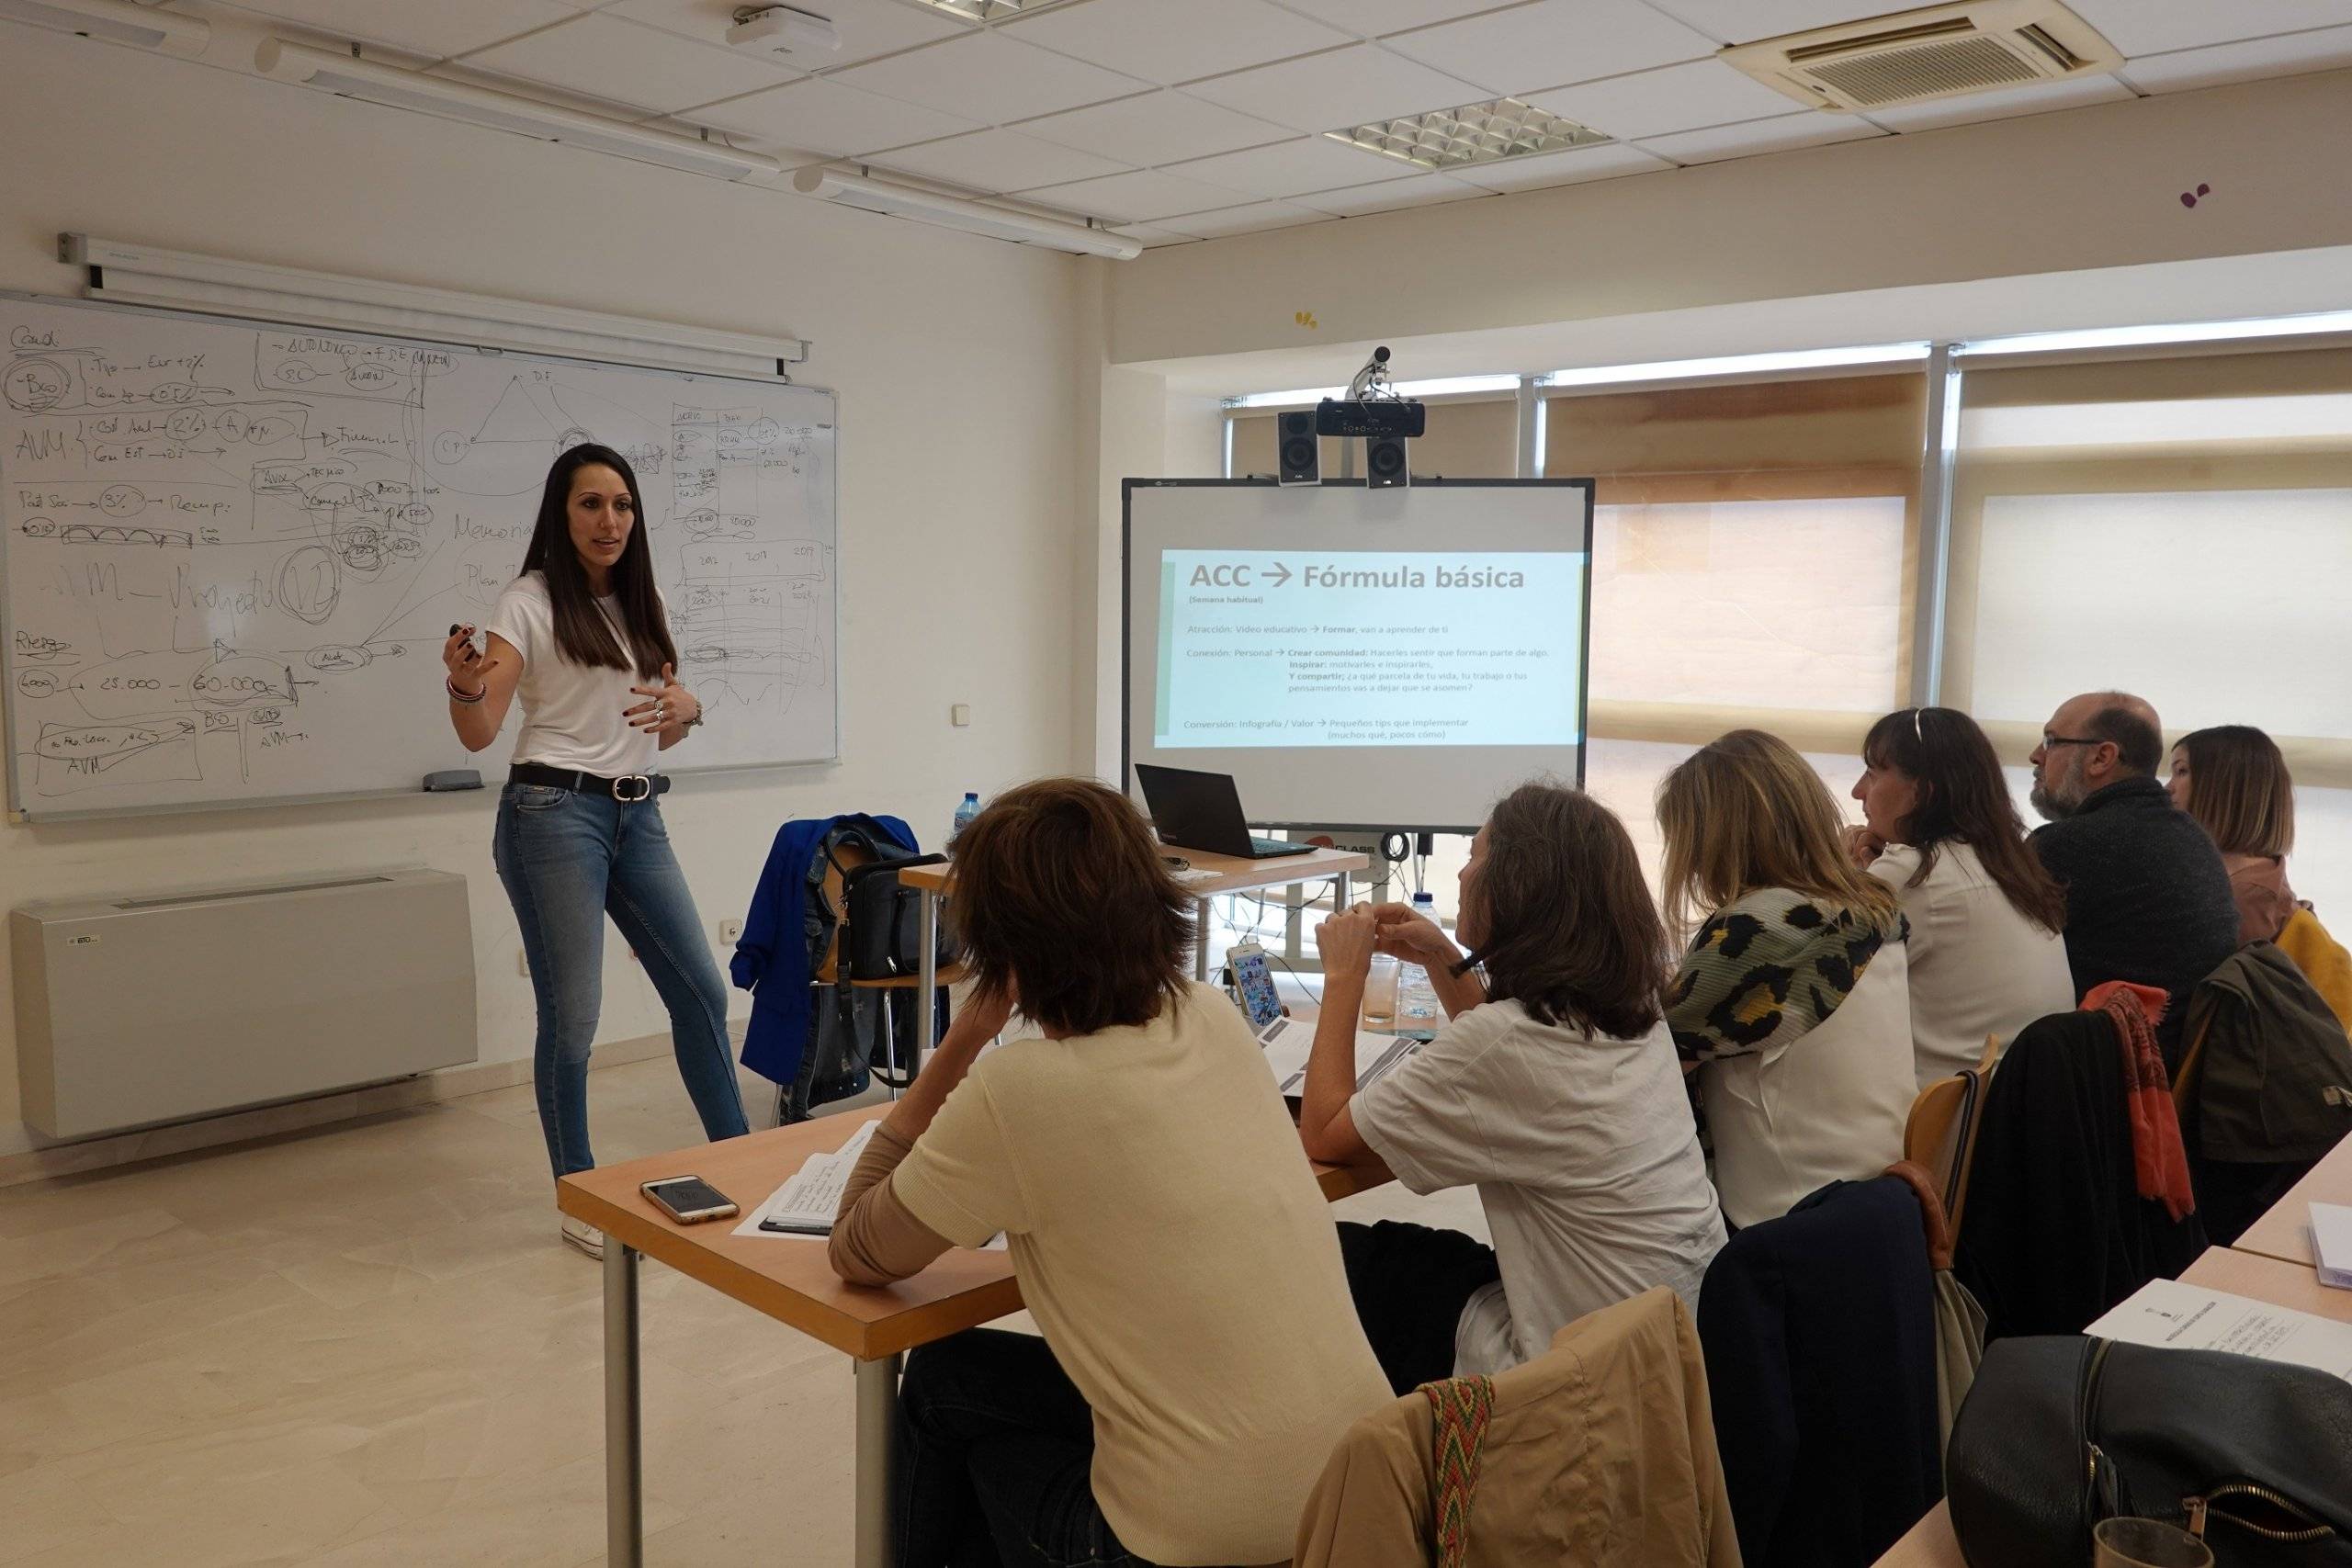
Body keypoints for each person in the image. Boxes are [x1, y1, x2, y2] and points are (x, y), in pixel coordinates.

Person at [825, 778, 1389, 1568]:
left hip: (1201, 1540)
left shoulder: (1015, 1091)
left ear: (1002, 948)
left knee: (943, 1389)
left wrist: (961, 1039)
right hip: (1360, 1500)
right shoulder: (1213, 1015)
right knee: (994, 1380)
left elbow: (855, 1248)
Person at [1297, 783, 1726, 1393]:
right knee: (1417, 1251)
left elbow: (1327, 1132)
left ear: (1518, 885)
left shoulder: (1506, 1041)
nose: (1465, 873)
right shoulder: (1632, 1002)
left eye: (1476, 855)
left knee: (1328, 1257)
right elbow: (1502, 1057)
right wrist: (1442, 954)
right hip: (1667, 1343)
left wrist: (1344, 976)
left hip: (1572, 1383)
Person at [441, 442, 746, 1258]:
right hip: (552, 815)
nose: (609, 519)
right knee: (574, 1019)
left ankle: (744, 1161)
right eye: (591, 504)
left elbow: (663, 728)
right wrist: (464, 683)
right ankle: (578, 1189)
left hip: (636, 815)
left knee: (701, 993)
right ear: (561, 512)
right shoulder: (530, 601)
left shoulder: (644, 601)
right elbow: (479, 729)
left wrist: (690, 706)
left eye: (622, 504)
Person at [1657, 730, 1916, 1230]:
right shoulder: (1872, 906)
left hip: (1782, 1227)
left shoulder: (1759, 928)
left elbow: (1647, 1055)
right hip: (1873, 1202)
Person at [1849, 706, 2075, 1085]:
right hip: (2010, 1113)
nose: (1858, 791)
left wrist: (1855, 875)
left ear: (1923, 791)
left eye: (1872, 774)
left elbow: (1823, 979)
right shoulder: (2012, 865)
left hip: (1937, 1125)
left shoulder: (1916, 869)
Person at [2027, 691, 2238, 1060]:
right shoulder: (2192, 838)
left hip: (2097, 1088)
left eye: (2051, 741)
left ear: (2101, 757)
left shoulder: (2066, 846)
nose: (2036, 755)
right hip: (2163, 1082)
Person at [2168, 725, 2300, 943]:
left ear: (2223, 785)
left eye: (2181, 771)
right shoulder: (2251, 881)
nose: (2167, 787)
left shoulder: (2246, 897)